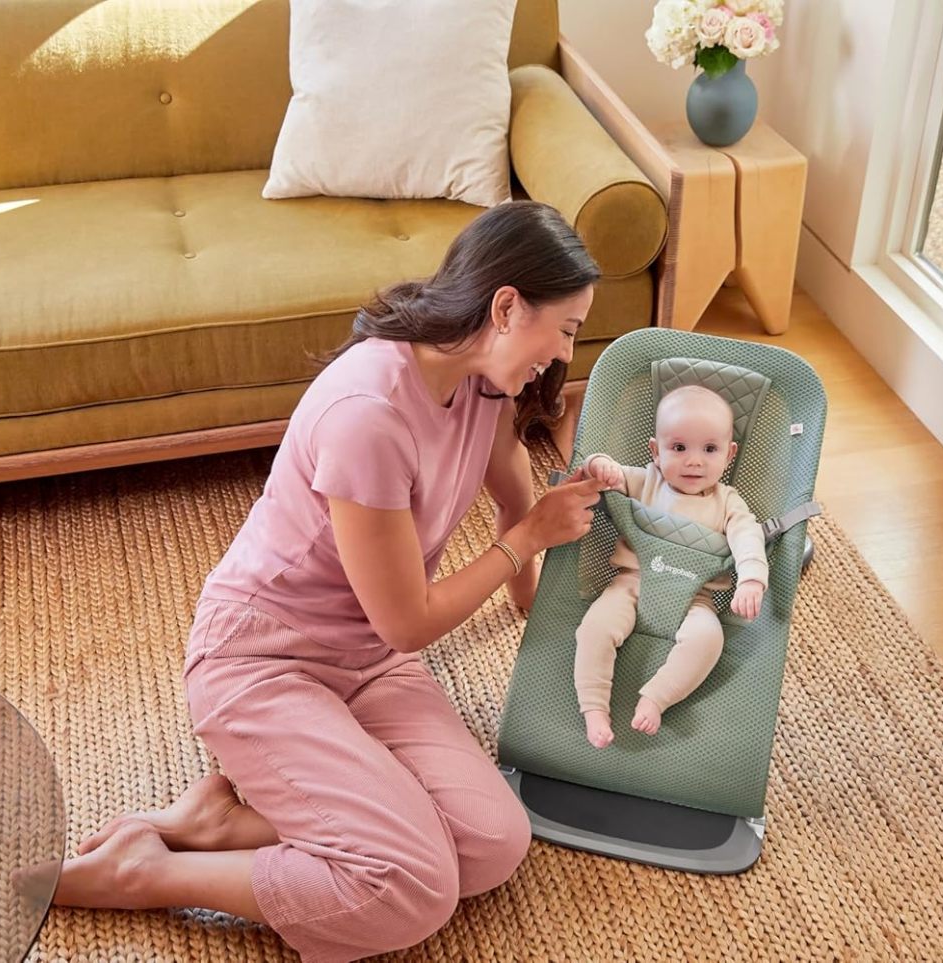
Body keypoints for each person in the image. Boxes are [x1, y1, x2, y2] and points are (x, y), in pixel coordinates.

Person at [46, 200, 608, 962]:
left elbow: (512, 489)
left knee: (492, 841)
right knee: (411, 885)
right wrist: (522, 541)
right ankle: (148, 872)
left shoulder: (482, 379)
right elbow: (409, 621)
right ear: (506, 307)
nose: (566, 352)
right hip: (262, 659)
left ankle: (219, 823)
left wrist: (536, 581)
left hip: (367, 661)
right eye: (567, 329)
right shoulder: (368, 413)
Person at [574, 385, 766, 748]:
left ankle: (657, 698)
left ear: (730, 454)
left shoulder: (728, 502)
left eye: (709, 449)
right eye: (679, 448)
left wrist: (751, 579)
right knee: (593, 630)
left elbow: (748, 536)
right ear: (655, 451)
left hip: (695, 598)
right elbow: (602, 472)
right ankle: (594, 707)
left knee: (709, 639)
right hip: (632, 584)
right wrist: (600, 464)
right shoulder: (645, 480)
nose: (694, 461)